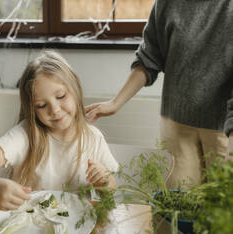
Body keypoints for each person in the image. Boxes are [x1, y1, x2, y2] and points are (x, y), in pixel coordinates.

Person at [85, 0, 233, 189]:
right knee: (173, 208)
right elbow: (149, 57)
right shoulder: (168, 3)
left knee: (221, 211)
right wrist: (116, 103)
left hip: (224, 130)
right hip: (176, 126)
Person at [0, 51, 118, 210]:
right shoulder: (26, 135)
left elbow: (112, 187)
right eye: (41, 105)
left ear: (76, 90)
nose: (54, 110)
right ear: (32, 109)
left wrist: (105, 181)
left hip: (79, 225)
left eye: (61, 96)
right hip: (31, 226)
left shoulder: (93, 138)